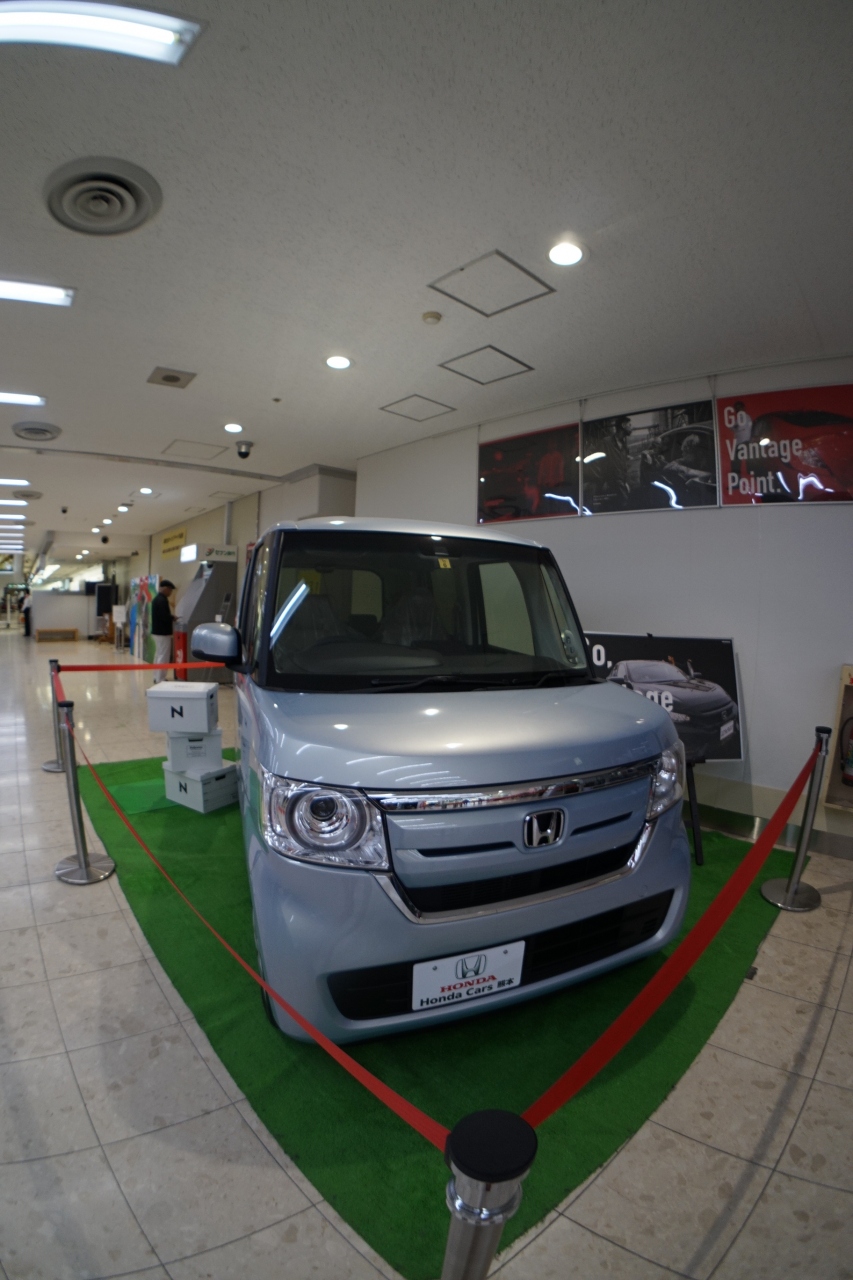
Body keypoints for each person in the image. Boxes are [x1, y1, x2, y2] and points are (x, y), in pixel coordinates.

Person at [150, 579, 175, 682]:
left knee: (158, 654)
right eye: (170, 590)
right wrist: (172, 618)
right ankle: (160, 678)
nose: (171, 592)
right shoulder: (162, 600)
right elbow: (164, 616)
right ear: (165, 589)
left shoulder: (157, 599)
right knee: (163, 656)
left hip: (157, 632)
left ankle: (156, 676)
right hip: (163, 632)